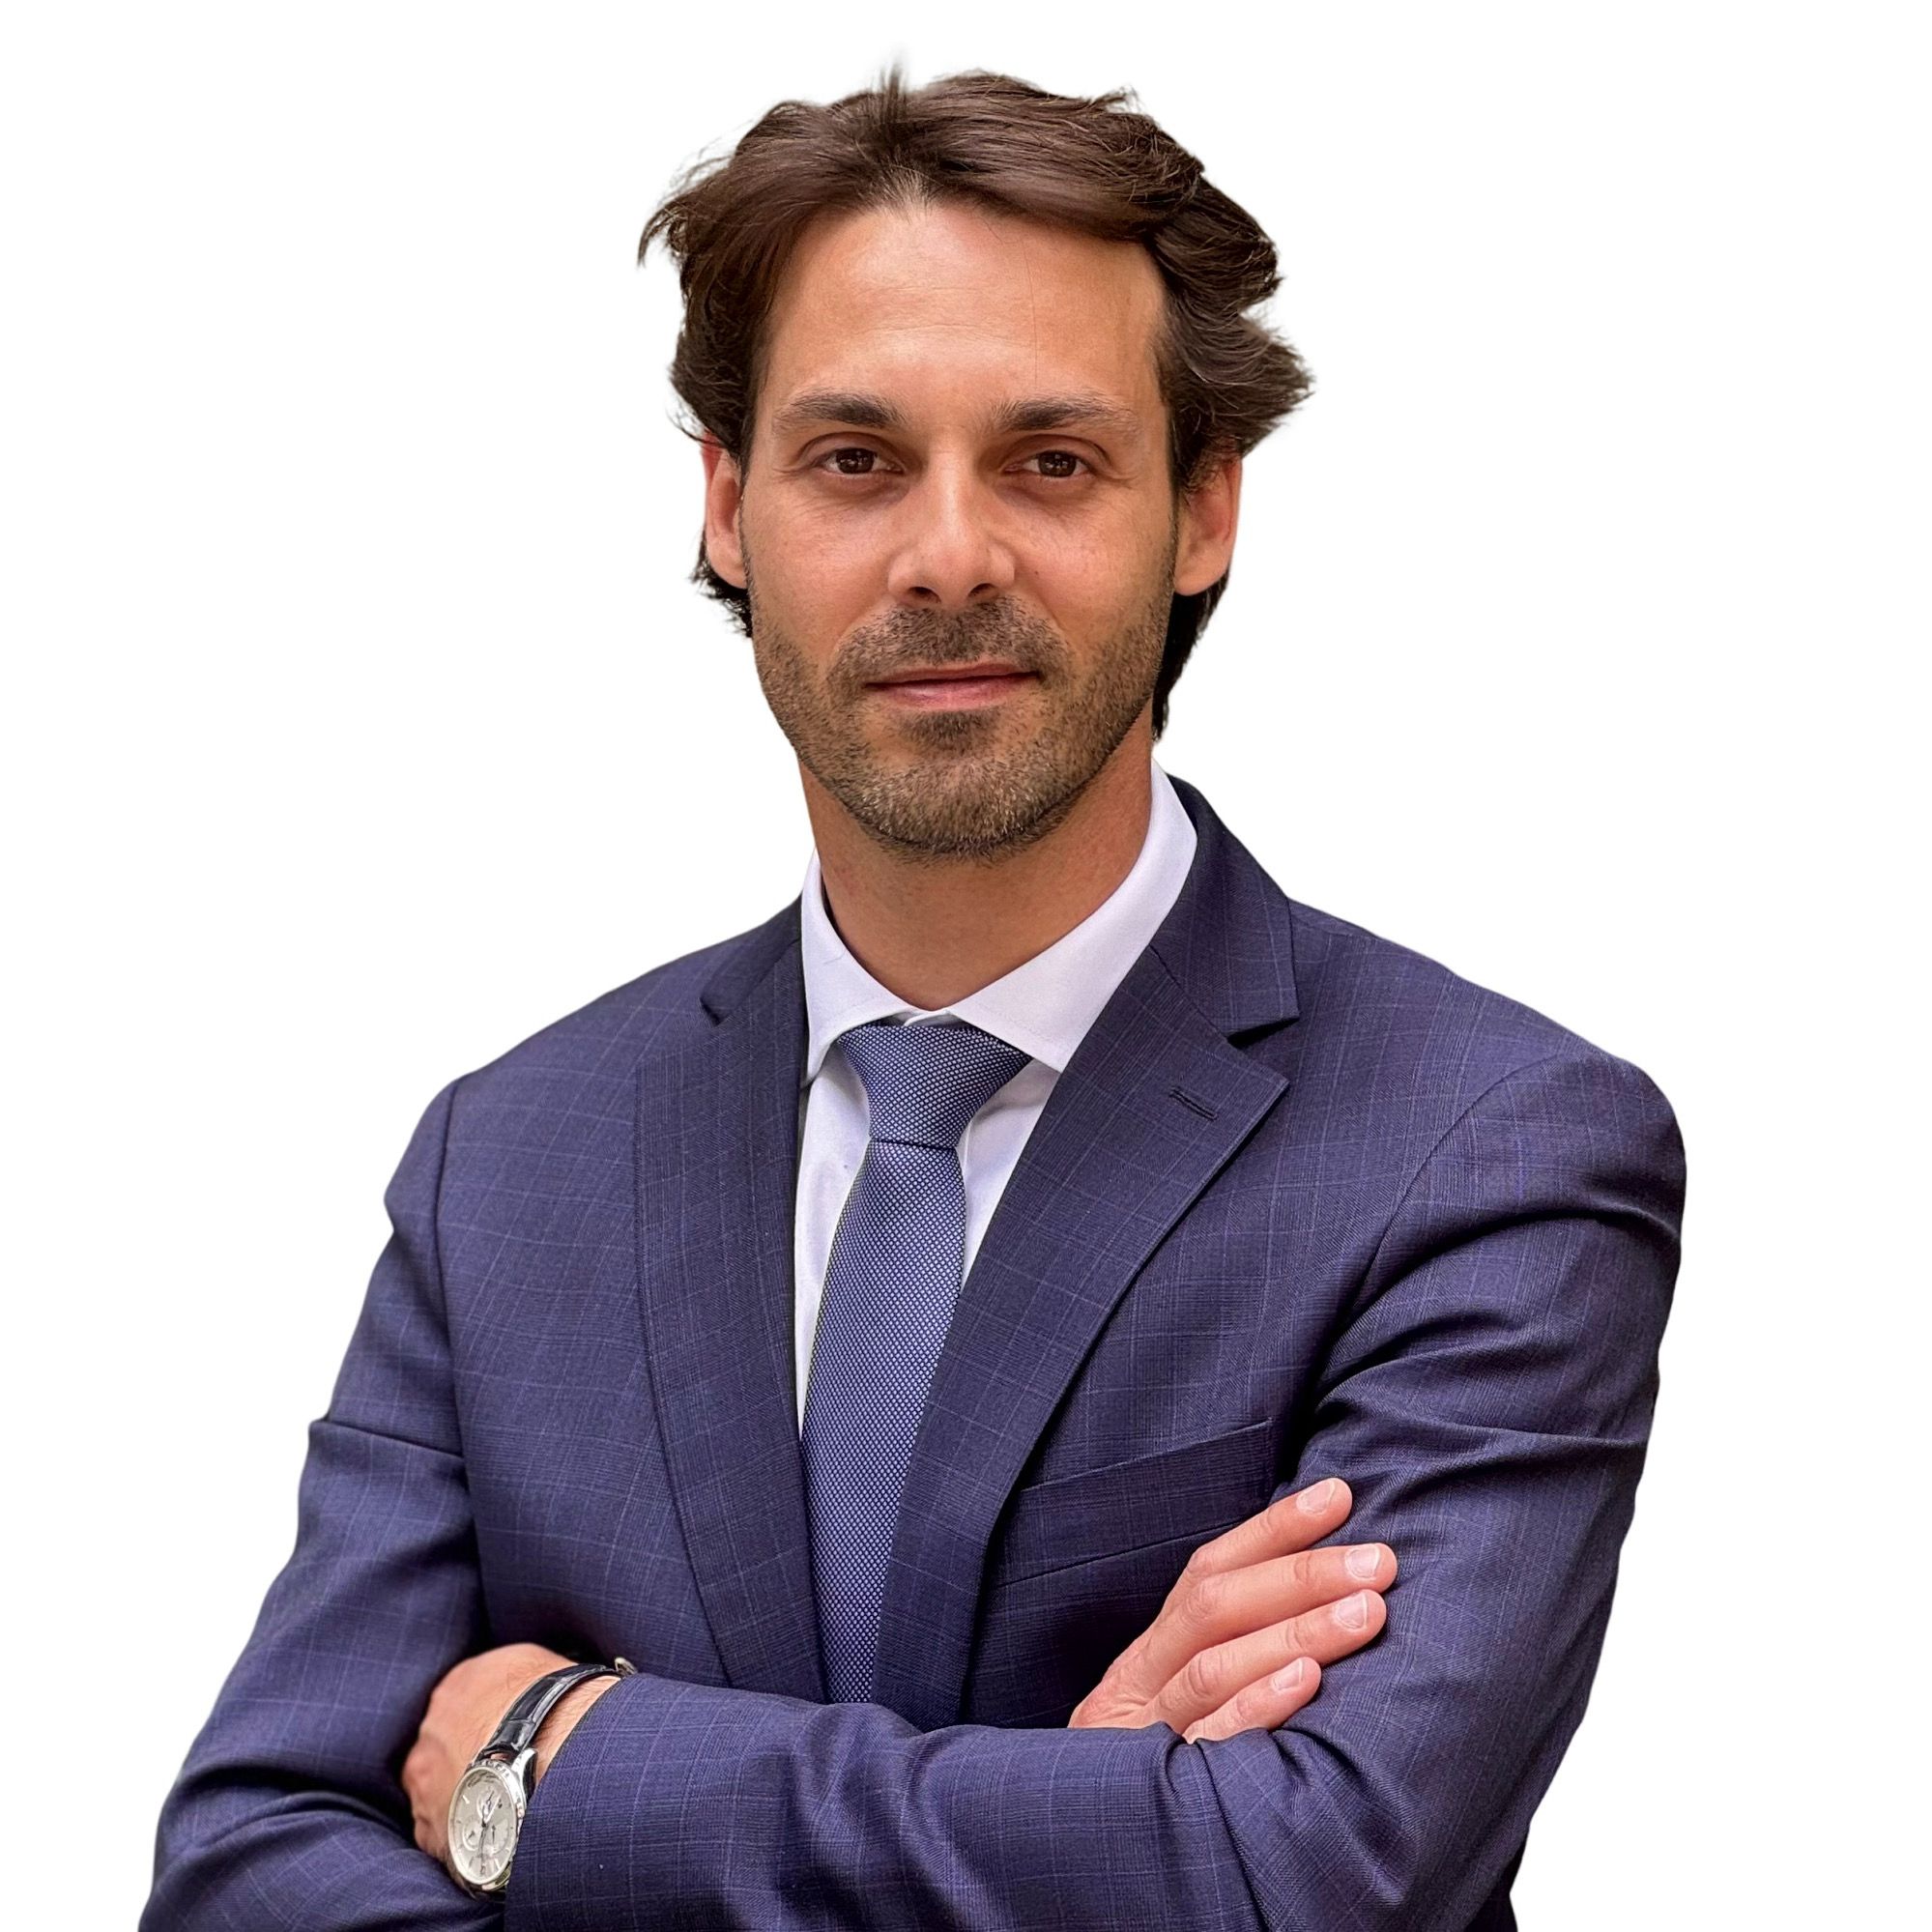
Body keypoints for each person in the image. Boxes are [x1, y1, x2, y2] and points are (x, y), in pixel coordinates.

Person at [143, 72, 1683, 1932]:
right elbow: (242, 1871)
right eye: (856, 461)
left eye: (1052, 460)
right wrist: (1093, 1824)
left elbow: (1307, 1874)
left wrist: (562, 1761)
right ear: (731, 505)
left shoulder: (1488, 1154)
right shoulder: (509, 1162)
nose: (949, 554)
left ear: (1203, 508)